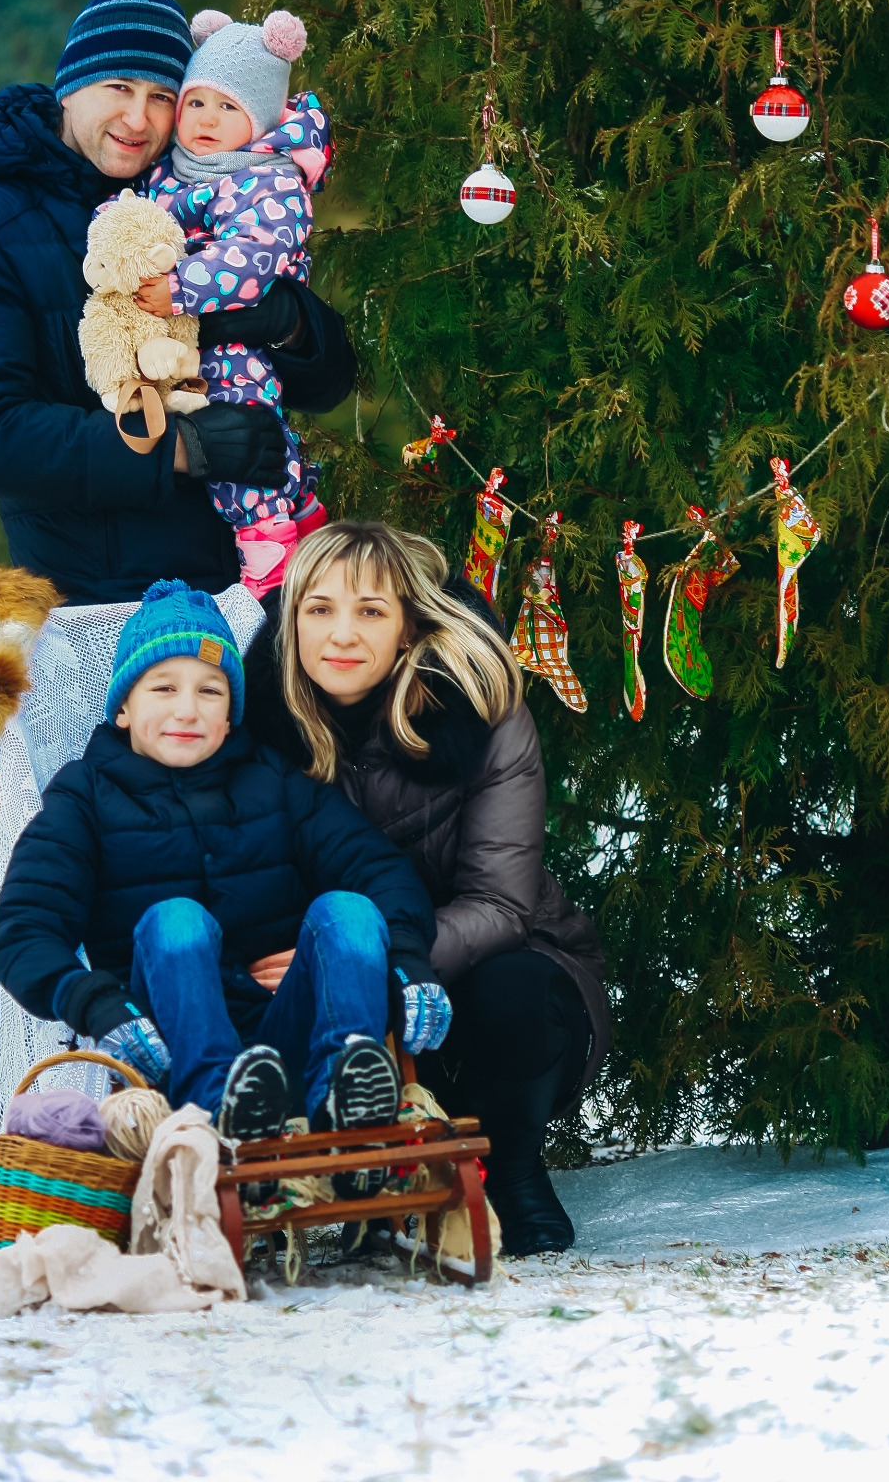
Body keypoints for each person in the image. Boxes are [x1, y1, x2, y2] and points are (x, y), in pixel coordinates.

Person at [0, 0, 357, 1241]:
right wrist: (180, 450)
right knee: (74, 874)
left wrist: (274, 316)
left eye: (166, 92)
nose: (143, 117)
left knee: (217, 876)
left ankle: (236, 1141)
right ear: (65, 88)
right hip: (88, 612)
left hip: (234, 595)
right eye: (119, 90)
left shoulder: (201, 204)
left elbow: (319, 368)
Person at [242, 519, 612, 1256]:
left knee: (509, 988)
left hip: (495, 970)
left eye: (370, 611)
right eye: (319, 609)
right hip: (336, 972)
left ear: (410, 629)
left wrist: (379, 966)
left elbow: (501, 905)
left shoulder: (481, 712)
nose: (341, 634)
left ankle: (512, 1165)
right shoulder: (261, 723)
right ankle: (324, 1171)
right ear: (290, 622)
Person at [0, 579, 450, 1170]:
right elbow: (25, 928)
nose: (187, 709)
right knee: (173, 920)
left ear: (231, 712)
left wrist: (407, 960)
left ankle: (348, 1108)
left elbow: (379, 870)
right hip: (167, 1057)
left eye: (210, 691)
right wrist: (99, 1004)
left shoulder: (274, 783)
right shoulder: (85, 798)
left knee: (350, 910)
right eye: (163, 687)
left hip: (285, 1040)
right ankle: (221, 1116)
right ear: (123, 707)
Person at [125, 5, 332, 592]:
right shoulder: (173, 171)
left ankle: (268, 552)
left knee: (243, 431)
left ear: (259, 120)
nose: (207, 120)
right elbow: (141, 220)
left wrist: (180, 290)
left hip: (239, 340)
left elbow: (254, 257)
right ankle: (307, 519)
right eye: (196, 103)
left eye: (228, 107)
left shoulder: (269, 178)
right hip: (181, 338)